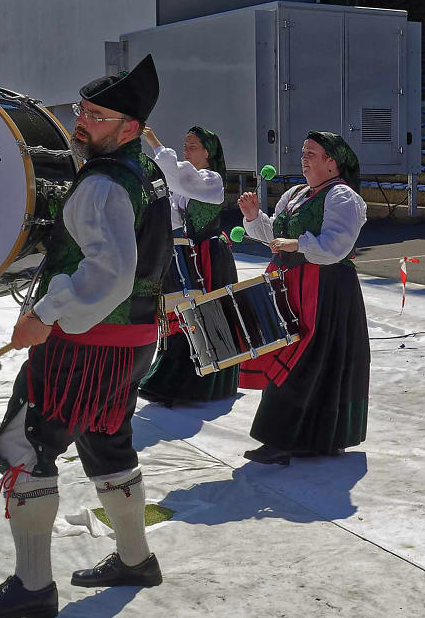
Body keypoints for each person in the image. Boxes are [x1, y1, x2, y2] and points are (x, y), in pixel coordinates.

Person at [0, 55, 172, 618]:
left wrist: (46, 314)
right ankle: (134, 557)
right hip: (130, 342)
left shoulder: (101, 186)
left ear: (130, 128)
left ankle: (32, 586)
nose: (82, 122)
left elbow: (107, 274)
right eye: (82, 110)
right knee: (107, 438)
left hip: (83, 344)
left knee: (25, 444)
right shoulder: (143, 170)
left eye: (98, 115)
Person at [235, 131, 370, 466]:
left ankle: (286, 439)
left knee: (307, 358)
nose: (304, 158)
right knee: (294, 354)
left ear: (331, 162)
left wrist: (301, 245)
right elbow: (277, 237)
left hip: (325, 287)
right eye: (303, 152)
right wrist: (255, 218)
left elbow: (336, 246)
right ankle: (300, 438)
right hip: (293, 281)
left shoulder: (342, 197)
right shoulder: (297, 194)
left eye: (312, 153)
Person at [141, 126, 237, 406]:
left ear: (209, 153)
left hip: (209, 257)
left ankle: (204, 384)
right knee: (182, 318)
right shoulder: (181, 183)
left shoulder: (211, 179)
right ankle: (175, 380)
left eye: (193, 146)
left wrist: (155, 142)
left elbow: (180, 176)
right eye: (185, 145)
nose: (187, 150)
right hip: (186, 253)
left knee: (207, 318)